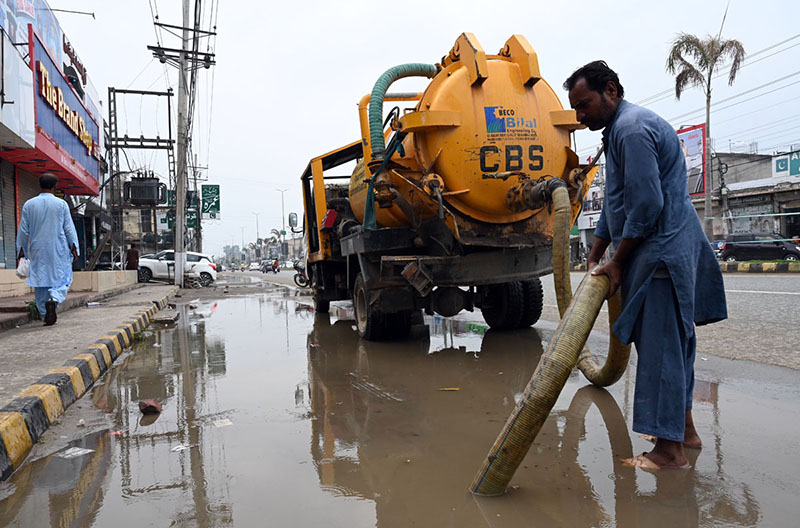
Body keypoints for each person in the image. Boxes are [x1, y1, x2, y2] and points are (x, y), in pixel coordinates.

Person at [564, 61, 727, 470]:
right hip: (660, 254)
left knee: (661, 352)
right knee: (671, 348)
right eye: (576, 109)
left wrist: (617, 263)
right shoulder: (620, 131)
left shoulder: (632, 130)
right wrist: (597, 253)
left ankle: (668, 453)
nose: (580, 116)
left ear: (611, 91)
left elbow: (647, 205)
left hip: (660, 257)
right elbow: (616, 202)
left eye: (584, 105)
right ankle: (684, 433)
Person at [16, 173, 79, 326]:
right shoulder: (61, 204)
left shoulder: (29, 204)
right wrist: (74, 247)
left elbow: (23, 230)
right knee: (63, 276)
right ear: (55, 186)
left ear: (40, 185)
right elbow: (69, 228)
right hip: (58, 247)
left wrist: (21, 249)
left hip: (37, 248)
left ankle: (45, 313)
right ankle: (54, 298)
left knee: (41, 280)